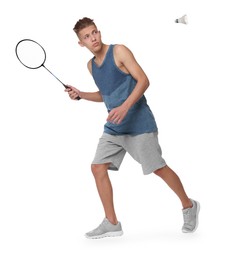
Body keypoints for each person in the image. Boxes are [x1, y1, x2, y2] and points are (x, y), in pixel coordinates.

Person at [65, 17, 200, 239]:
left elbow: (143, 80)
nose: (93, 38)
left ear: (99, 32)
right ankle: (111, 222)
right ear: (81, 43)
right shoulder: (91, 66)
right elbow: (105, 95)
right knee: (97, 167)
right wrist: (81, 95)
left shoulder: (119, 51)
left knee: (158, 168)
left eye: (94, 32)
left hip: (139, 124)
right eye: (86, 37)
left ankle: (189, 205)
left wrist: (125, 107)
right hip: (115, 127)